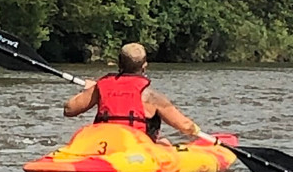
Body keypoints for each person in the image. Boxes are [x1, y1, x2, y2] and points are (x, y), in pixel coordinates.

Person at [63, 42, 203, 143]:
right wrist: (198, 133)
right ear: (144, 66)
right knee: (165, 143)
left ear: (119, 64)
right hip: (136, 149)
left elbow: (69, 109)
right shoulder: (150, 96)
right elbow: (185, 126)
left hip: (102, 144)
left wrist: (87, 91)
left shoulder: (101, 87)